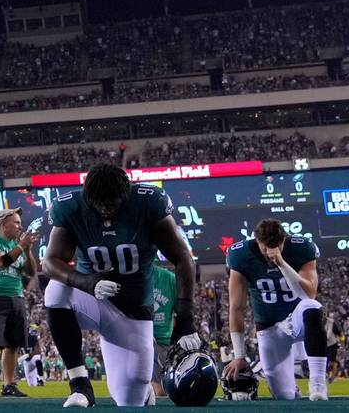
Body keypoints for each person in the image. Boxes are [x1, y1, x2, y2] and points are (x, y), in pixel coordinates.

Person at [41, 164, 199, 407]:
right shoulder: (71, 207)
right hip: (92, 298)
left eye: (111, 202)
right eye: (99, 202)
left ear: (126, 193)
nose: (105, 208)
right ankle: (80, 384)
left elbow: (183, 259)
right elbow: (50, 262)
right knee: (55, 290)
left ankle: (143, 390)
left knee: (130, 399)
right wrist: (87, 282)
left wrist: (186, 318)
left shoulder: (148, 203)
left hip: (133, 311)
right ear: (87, 196)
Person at [223, 219, 328, 401]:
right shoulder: (240, 255)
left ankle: (318, 384)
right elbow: (236, 308)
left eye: (277, 246)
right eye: (265, 248)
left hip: (297, 318)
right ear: (257, 241)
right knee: (284, 396)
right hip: (269, 328)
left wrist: (281, 263)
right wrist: (239, 355)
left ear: (284, 240)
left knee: (312, 307)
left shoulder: (301, 248)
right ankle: (290, 386)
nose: (270, 252)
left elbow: (308, 294)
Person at [0, 207, 37, 398]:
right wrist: (21, 246)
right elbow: (2, 262)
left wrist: (27, 251)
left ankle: (9, 384)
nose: (20, 226)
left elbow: (31, 272)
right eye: (16, 222)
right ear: (3, 224)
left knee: (13, 344)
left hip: (16, 296)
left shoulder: (16, 245)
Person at [148, 262, 177, 400]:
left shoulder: (170, 278)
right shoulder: (170, 278)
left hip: (162, 341)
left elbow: (180, 311)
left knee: (160, 391)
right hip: (141, 339)